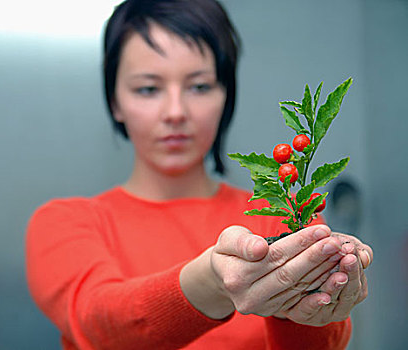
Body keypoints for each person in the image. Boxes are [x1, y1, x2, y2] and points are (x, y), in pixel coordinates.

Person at [26, 0, 373, 348]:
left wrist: (309, 303)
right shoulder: (65, 223)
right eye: (148, 88)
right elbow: (100, 323)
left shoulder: (281, 215)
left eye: (200, 86)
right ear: (115, 101)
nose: (175, 112)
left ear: (226, 97)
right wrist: (211, 281)